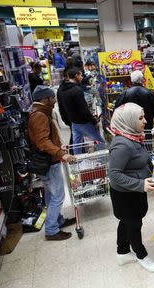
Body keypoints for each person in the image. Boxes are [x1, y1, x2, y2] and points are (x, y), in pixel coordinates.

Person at [108, 102, 154, 272]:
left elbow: (140, 159)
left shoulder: (133, 136)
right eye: (140, 118)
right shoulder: (122, 145)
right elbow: (114, 174)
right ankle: (141, 255)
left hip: (134, 191)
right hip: (126, 194)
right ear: (128, 120)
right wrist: (140, 184)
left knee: (127, 221)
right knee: (133, 224)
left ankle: (122, 252)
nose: (145, 121)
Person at [27, 85, 76, 240]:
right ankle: (52, 230)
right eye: (52, 97)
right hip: (48, 162)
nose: (55, 100)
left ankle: (58, 220)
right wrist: (61, 153)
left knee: (50, 195)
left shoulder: (40, 113)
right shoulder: (39, 115)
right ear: (45, 98)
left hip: (48, 160)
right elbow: (42, 142)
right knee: (58, 196)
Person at [58, 67, 105, 154]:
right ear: (76, 75)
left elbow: (61, 107)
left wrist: (67, 120)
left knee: (77, 144)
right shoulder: (76, 90)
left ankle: (78, 162)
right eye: (80, 75)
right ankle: (105, 162)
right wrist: (94, 121)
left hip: (73, 122)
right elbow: (84, 109)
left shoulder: (61, 89)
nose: (82, 77)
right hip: (83, 122)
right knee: (100, 142)